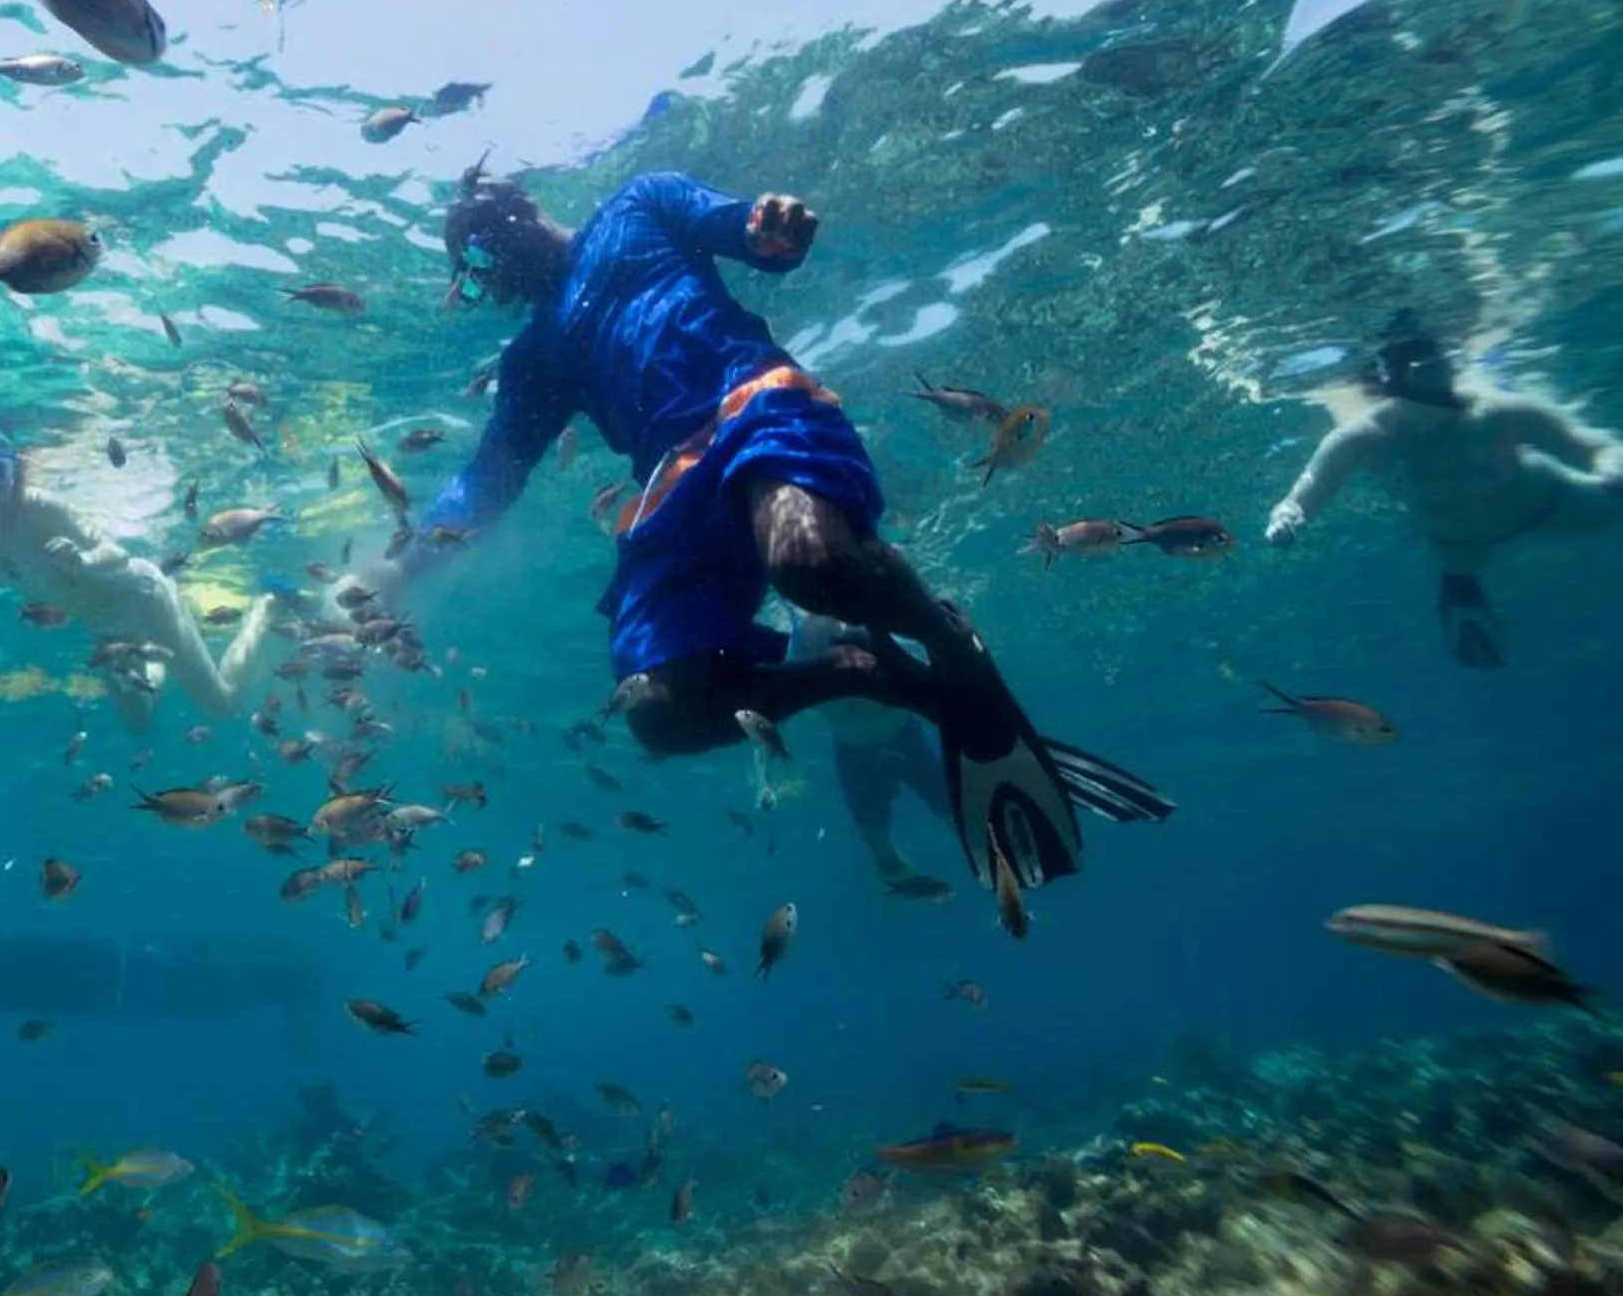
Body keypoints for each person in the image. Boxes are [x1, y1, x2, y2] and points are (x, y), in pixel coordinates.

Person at [348, 163, 1167, 897]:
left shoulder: (638, 204)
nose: (494, 262)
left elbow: (747, 230)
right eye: (477, 260)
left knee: (812, 565)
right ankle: (861, 673)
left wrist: (774, 228)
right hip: (670, 484)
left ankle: (943, 637)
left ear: (525, 205)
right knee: (658, 714)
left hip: (753, 403)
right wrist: (402, 565)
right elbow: (491, 474)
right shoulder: (535, 358)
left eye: (491, 236)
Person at [1265, 309, 1623, 667]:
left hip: (1552, 503)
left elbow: (1593, 445)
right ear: (1391, 380)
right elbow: (1309, 487)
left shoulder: (1498, 411)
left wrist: (1613, 470)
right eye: (1424, 370)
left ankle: (1462, 591)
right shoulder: (1367, 436)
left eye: (1441, 365)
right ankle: (1462, 592)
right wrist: (1289, 515)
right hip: (1461, 545)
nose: (1439, 379)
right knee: (1470, 617)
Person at [0, 439, 272, 735]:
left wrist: (83, 561)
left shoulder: (40, 504)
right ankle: (154, 666)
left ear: (14, 472)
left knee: (221, 705)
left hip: (145, 598)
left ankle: (264, 609)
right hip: (104, 629)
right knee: (138, 723)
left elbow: (116, 554)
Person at [787, 613, 953, 893]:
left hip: (905, 738)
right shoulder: (797, 666)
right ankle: (899, 883)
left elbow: (924, 658)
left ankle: (995, 860)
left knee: (950, 809)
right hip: (854, 750)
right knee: (876, 838)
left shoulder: (875, 640)